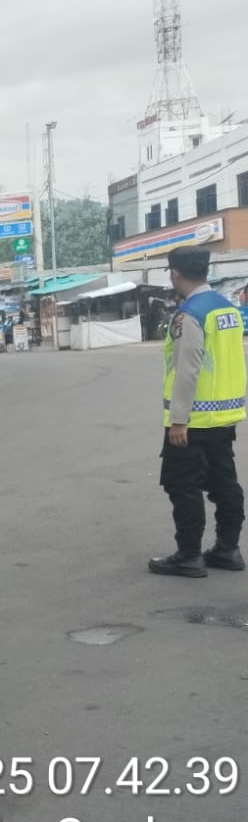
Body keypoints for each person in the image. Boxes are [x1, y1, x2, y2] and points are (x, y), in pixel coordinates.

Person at [149, 246, 246, 577]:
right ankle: (228, 549)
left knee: (183, 486)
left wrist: (179, 421)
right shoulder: (228, 309)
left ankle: (188, 555)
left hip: (193, 420)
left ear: (175, 273)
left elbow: (187, 370)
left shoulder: (189, 314)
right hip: (224, 415)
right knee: (224, 483)